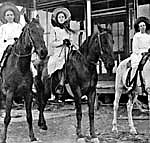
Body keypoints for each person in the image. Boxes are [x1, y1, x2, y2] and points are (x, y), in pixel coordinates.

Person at [47, 7, 77, 94]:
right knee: (59, 64)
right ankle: (59, 84)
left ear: (65, 19)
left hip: (68, 52)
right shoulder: (54, 30)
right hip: (58, 53)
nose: (61, 19)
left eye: (63, 17)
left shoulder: (68, 31)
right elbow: (52, 43)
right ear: (56, 19)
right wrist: (62, 42)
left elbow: (72, 42)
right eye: (59, 17)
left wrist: (69, 43)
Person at [0, 2, 26, 67]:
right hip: (6, 44)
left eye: (11, 15)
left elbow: (21, 36)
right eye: (8, 15)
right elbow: (1, 38)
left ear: (14, 16)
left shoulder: (18, 26)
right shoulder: (3, 27)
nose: (10, 16)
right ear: (5, 17)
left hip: (16, 44)